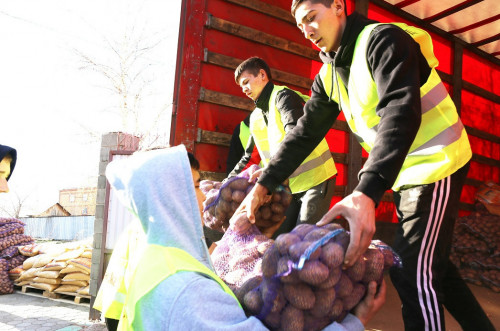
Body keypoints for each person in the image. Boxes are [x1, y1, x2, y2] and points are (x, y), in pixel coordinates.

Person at [237, 1, 494, 330]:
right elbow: (303, 133)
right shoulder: (328, 75)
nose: (308, 31)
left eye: (312, 18)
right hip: (406, 172)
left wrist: (366, 192)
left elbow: (400, 111)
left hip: (437, 161)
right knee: (431, 263)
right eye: (302, 26)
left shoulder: (383, 40)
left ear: (339, 6)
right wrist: (264, 184)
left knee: (411, 270)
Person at [104, 145, 385, 330]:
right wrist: (354, 322)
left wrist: (247, 233)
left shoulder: (160, 261)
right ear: (172, 198)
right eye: (195, 185)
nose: (204, 194)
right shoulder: (187, 290)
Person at [94, 150, 206, 331]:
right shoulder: (157, 239)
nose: (203, 196)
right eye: (195, 187)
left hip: (119, 311)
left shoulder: (144, 224)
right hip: (122, 314)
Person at [228, 57, 337, 236]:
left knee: (302, 239)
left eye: (247, 82)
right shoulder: (255, 117)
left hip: (316, 180)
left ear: (262, 75)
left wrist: (269, 173)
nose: (244, 89)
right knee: (281, 238)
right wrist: (227, 184)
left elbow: (295, 135)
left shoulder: (284, 97)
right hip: (288, 188)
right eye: (241, 86)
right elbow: (248, 158)